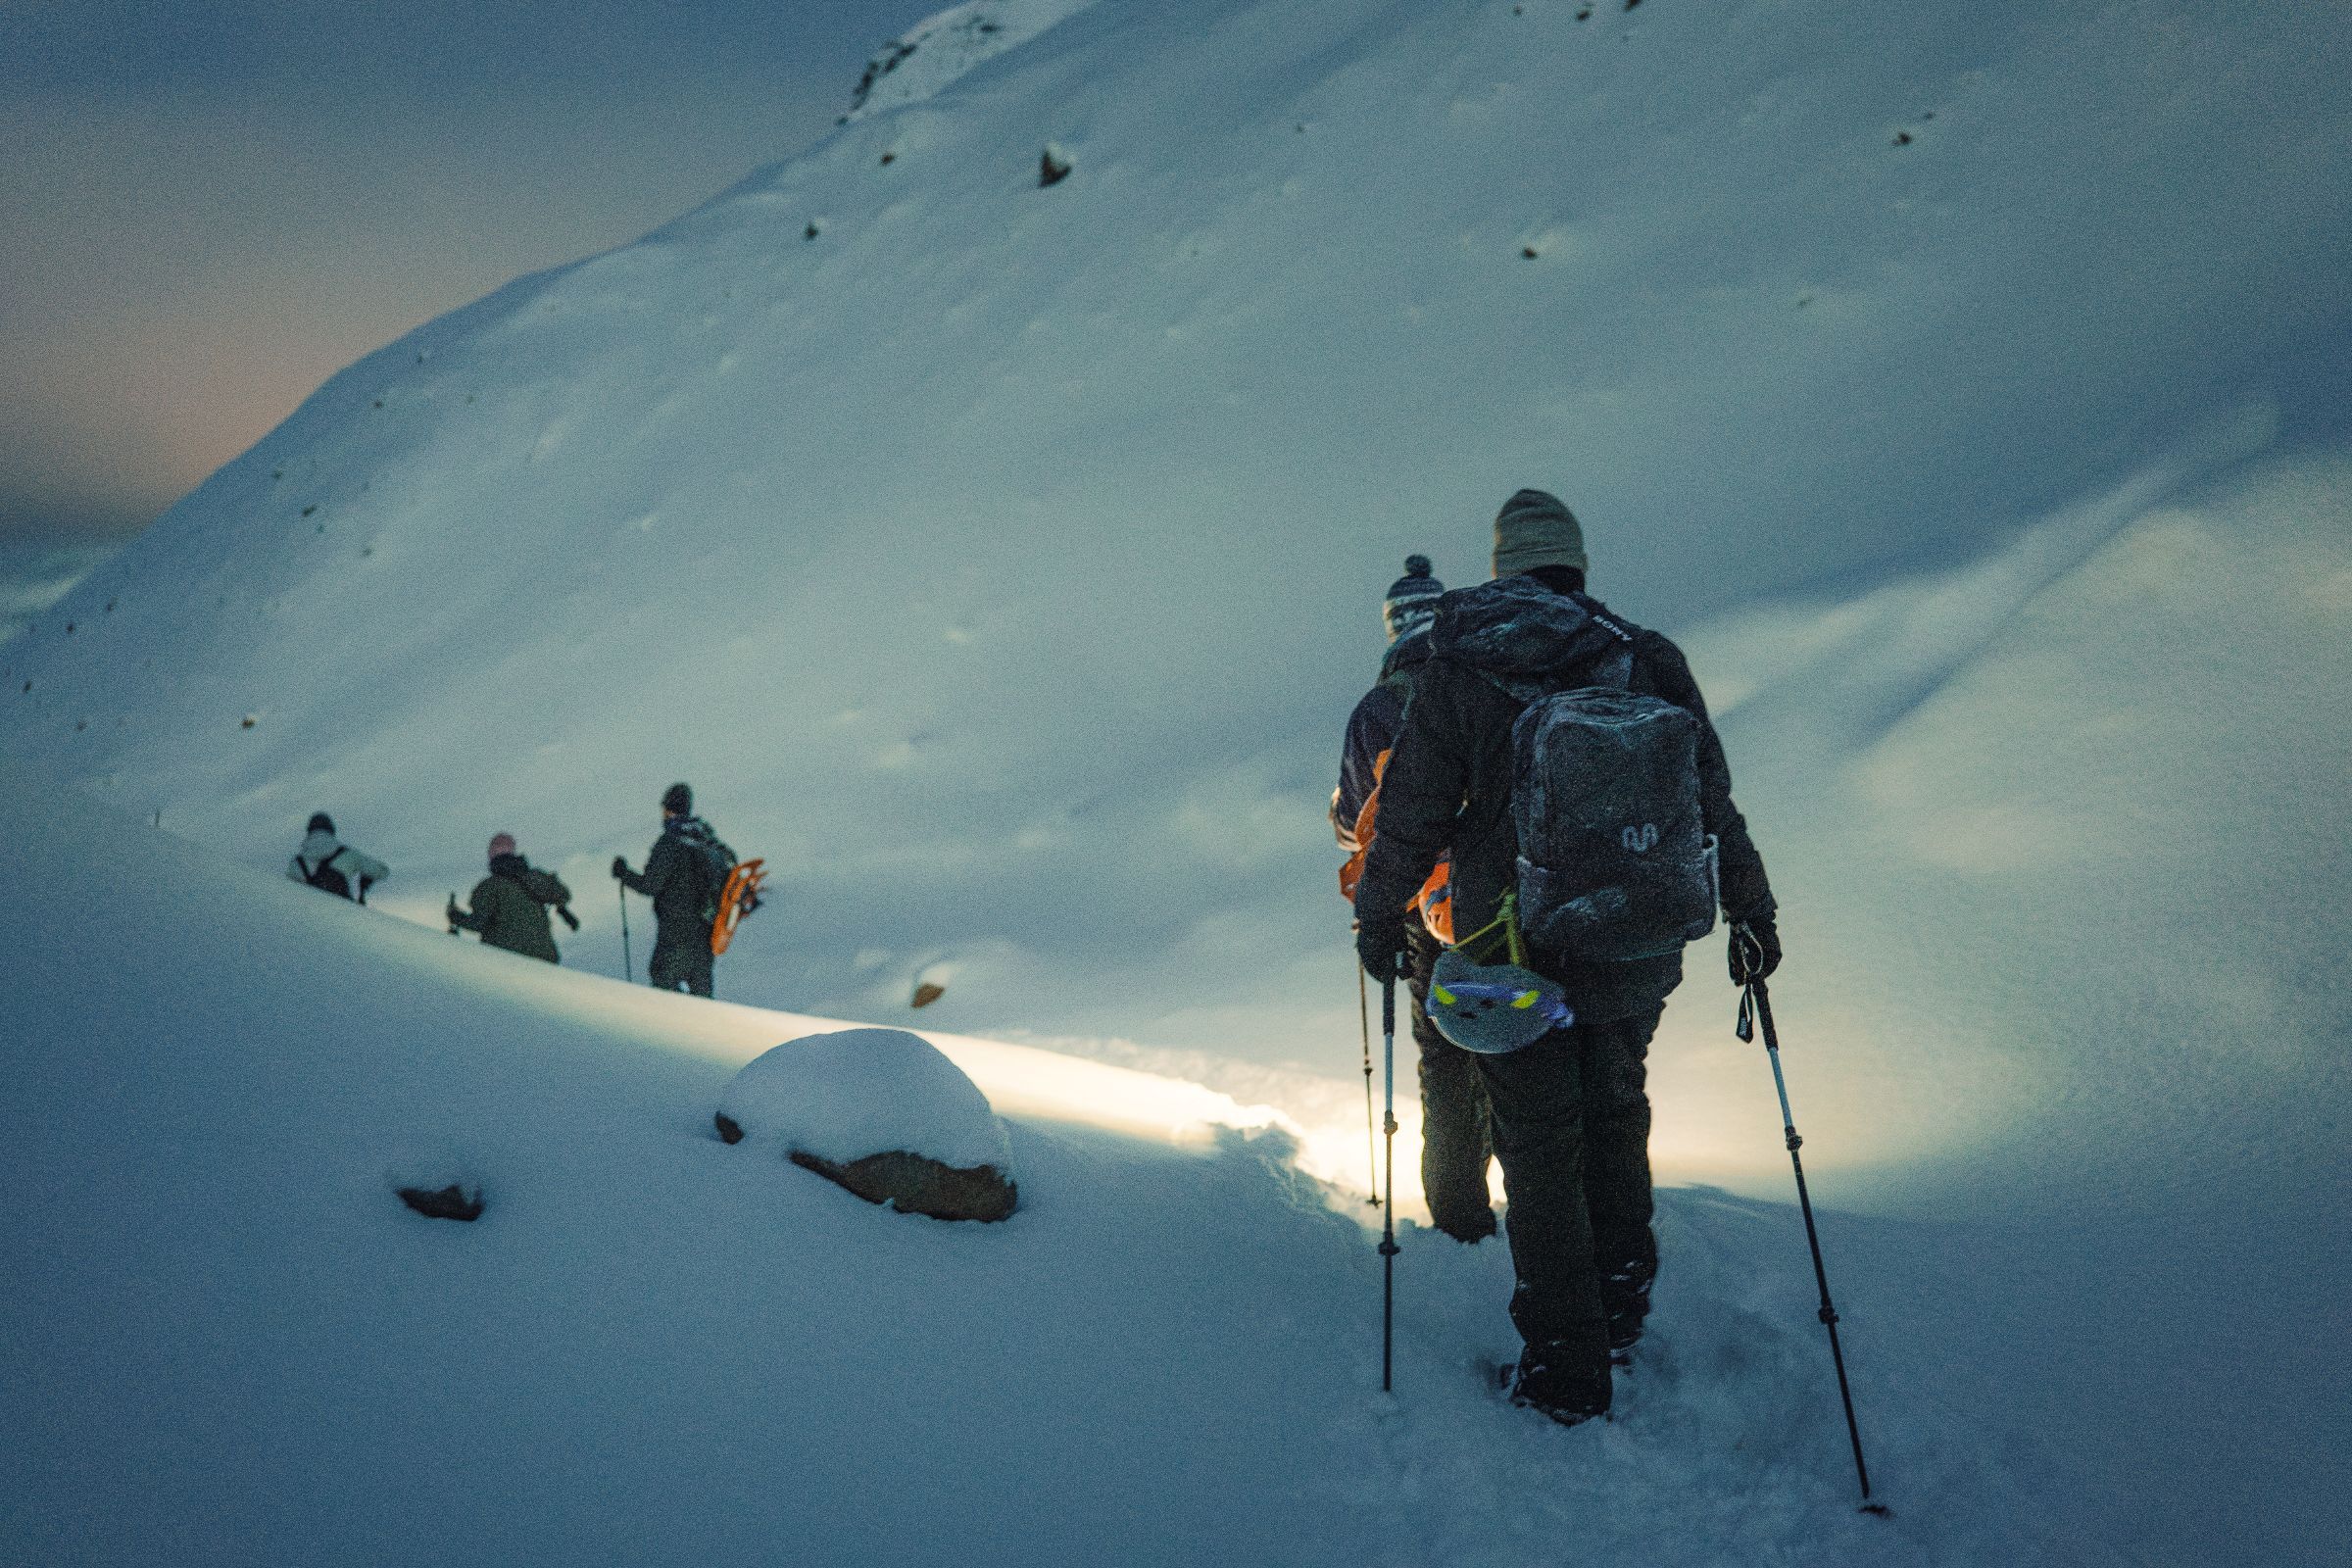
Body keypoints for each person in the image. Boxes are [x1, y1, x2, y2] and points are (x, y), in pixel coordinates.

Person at [1352, 489, 1780, 1427]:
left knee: (1540, 1151)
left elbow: (1414, 813)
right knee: (1616, 1117)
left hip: (1507, 950)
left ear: (1504, 568)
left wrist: (1379, 918)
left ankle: (1564, 1370)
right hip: (1631, 938)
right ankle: (1618, 1310)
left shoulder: (1461, 666)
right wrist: (1752, 910)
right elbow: (1713, 805)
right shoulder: (1646, 658)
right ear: (1577, 566)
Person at [1334, 555, 1496, 1244]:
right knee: (1520, 1049)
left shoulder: (1379, 708)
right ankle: (1542, 1192)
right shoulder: (1488, 682)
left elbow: (1351, 826)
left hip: (1424, 910)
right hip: (1511, 902)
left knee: (1446, 1063)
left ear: (1395, 629)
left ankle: (1459, 1220)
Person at [612, 782, 727, 997]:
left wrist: (624, 874)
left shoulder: (670, 843)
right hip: (705, 933)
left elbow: (650, 885)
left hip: (675, 934)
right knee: (703, 998)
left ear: (668, 809)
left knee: (664, 989)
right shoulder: (705, 839)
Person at [446, 833, 576, 962]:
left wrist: (455, 916)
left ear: (492, 853)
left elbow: (477, 923)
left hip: (506, 960)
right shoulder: (536, 877)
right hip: (545, 958)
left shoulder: (489, 887)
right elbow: (563, 894)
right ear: (513, 850)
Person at [288, 811, 389, 903]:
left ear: (309, 832)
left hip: (308, 916)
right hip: (340, 915)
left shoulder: (296, 863)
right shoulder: (348, 854)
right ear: (331, 830)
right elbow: (382, 871)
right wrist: (365, 880)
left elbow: (290, 895)